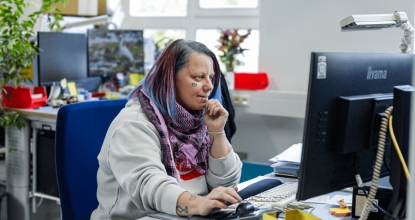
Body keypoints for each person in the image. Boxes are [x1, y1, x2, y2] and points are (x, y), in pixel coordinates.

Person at [91, 39, 243, 220]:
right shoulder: (134, 123)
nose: (210, 86)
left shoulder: (199, 121)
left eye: (210, 77)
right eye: (198, 77)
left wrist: (217, 133)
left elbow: (226, 184)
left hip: (190, 214)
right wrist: (199, 204)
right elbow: (151, 187)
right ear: (169, 78)